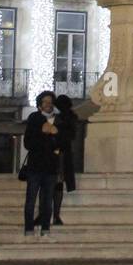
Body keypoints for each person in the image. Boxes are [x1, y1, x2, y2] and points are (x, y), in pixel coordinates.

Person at [23, 91, 61, 238]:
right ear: (40, 104)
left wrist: (55, 135)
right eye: (45, 102)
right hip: (35, 166)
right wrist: (43, 132)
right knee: (31, 199)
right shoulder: (34, 118)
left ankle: (45, 228)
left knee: (47, 200)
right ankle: (29, 228)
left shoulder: (57, 120)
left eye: (50, 102)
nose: (48, 104)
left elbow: (61, 142)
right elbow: (28, 142)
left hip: (51, 167)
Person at [51, 94, 78, 227]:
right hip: (61, 154)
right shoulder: (69, 118)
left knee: (56, 184)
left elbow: (66, 136)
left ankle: (55, 215)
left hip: (58, 154)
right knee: (57, 184)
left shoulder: (62, 119)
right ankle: (55, 215)